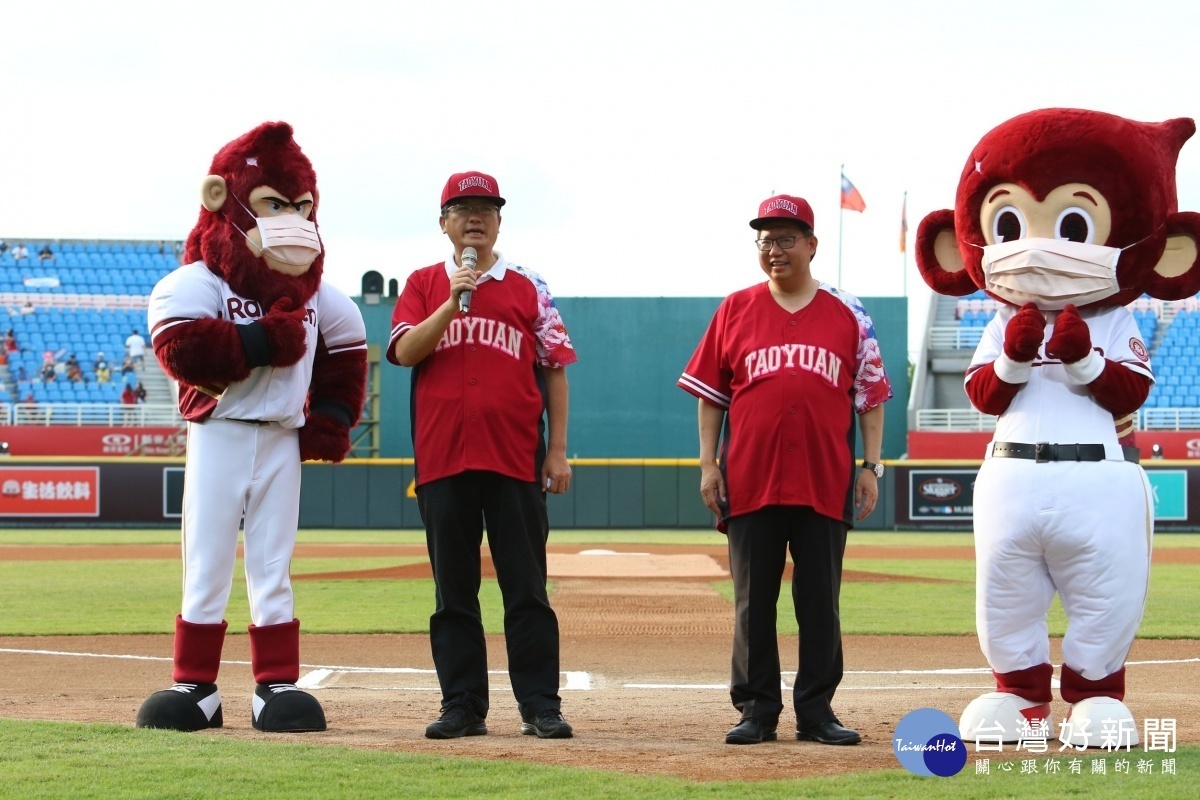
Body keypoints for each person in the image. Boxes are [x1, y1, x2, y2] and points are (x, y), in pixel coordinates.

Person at [678, 194, 893, 747]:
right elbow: (711, 396)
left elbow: (870, 396)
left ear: (812, 245)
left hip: (824, 479)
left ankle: (817, 712)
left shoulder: (849, 313)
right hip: (750, 479)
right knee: (754, 602)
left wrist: (871, 466)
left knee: (820, 601)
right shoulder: (735, 308)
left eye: (786, 239)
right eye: (765, 241)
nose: (775, 251)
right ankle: (756, 711)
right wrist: (708, 465)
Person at [387, 171, 577, 741]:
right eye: (462, 208)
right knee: (454, 593)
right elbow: (403, 351)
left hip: (517, 458)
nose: (475, 218)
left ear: (499, 220)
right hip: (444, 460)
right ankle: (462, 705)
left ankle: (540, 705)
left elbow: (554, 369)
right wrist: (450, 303)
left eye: (486, 209)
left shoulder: (528, 287)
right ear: (443, 222)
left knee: (526, 589)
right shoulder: (423, 284)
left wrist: (559, 452)